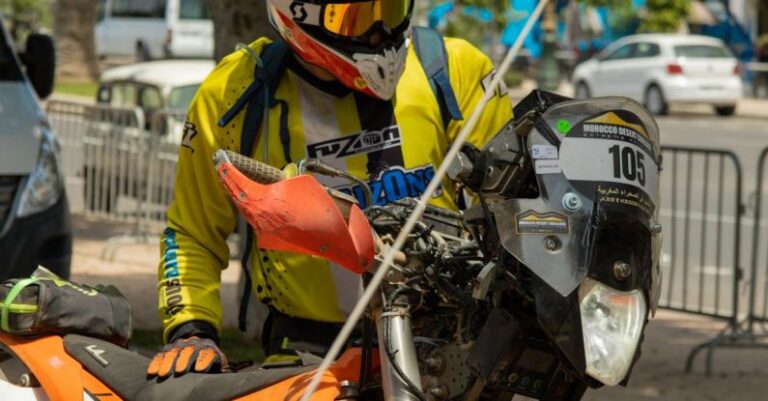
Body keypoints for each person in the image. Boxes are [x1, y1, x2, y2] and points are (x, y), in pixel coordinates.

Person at [147, 0, 513, 379]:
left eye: (388, 11)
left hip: (449, 342)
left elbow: (516, 206)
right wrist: (191, 330)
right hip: (310, 354)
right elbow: (192, 231)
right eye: (357, 18)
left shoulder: (456, 70)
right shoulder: (233, 92)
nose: (379, 34)